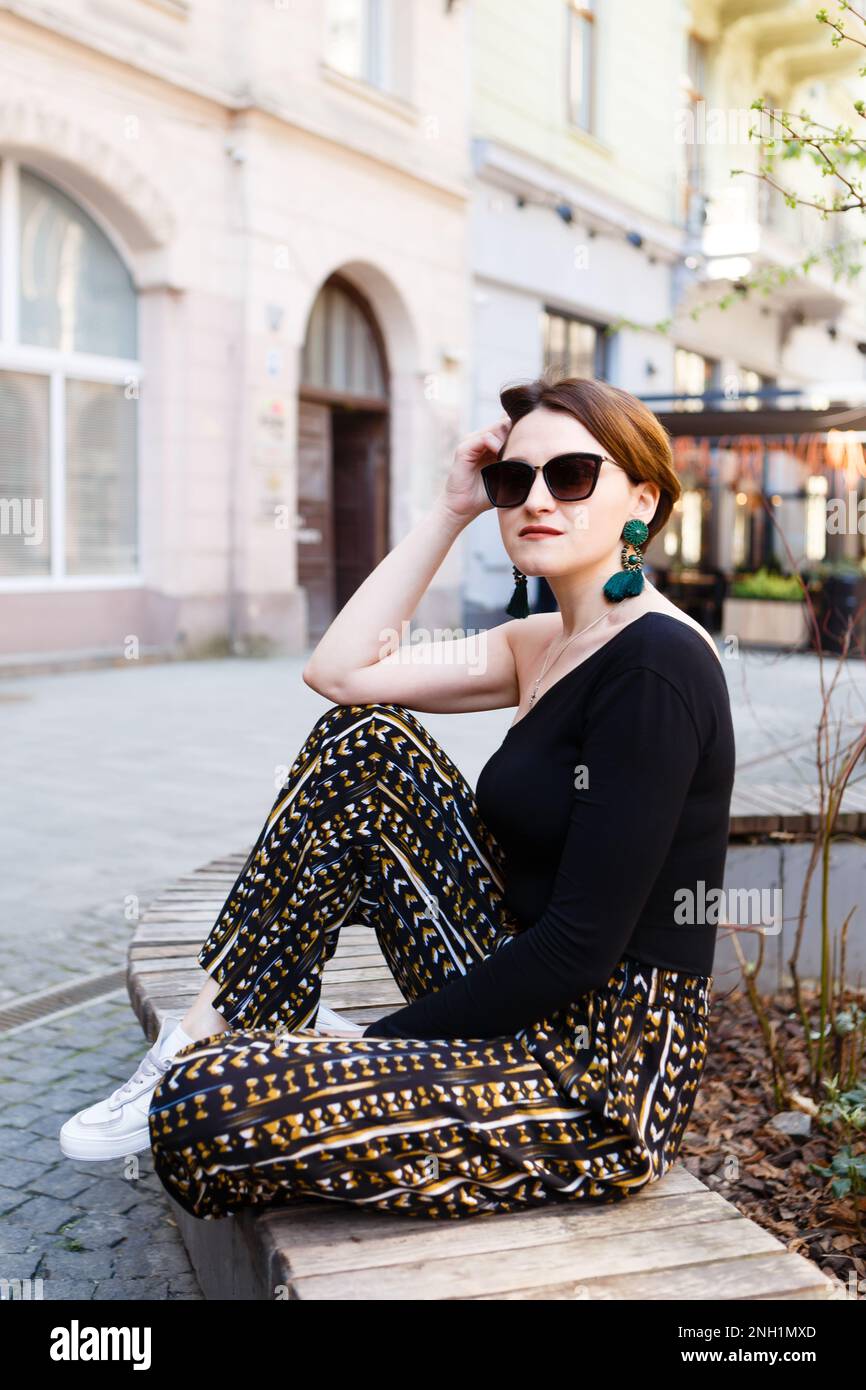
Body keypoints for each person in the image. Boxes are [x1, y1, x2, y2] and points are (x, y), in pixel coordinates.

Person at [59, 371, 736, 1224]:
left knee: (202, 1108)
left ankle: (229, 1062)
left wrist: (378, 1051)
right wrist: (451, 510)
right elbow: (340, 674)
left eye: (570, 475)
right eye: (512, 480)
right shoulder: (543, 641)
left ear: (641, 498)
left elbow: (579, 950)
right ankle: (204, 1030)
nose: (536, 498)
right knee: (368, 742)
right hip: (512, 989)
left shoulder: (656, 667)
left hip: (596, 1075)